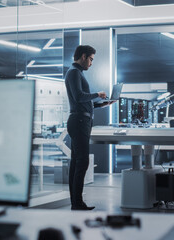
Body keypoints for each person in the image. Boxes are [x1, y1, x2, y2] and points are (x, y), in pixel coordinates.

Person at [65, 45, 114, 210]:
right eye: (91, 59)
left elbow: (82, 101)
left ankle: (75, 202)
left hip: (80, 121)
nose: (91, 63)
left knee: (77, 162)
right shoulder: (73, 72)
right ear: (84, 56)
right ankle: (77, 203)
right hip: (79, 122)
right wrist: (97, 94)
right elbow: (79, 97)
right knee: (82, 162)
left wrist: (101, 105)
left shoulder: (76, 73)